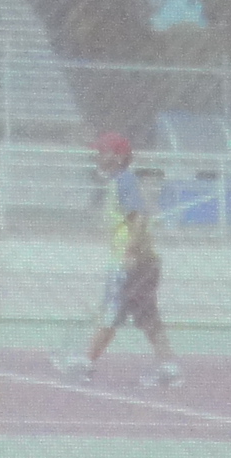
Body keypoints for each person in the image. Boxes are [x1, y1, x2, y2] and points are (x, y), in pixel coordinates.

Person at [55, 132, 182, 389]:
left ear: (120, 157)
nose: (98, 157)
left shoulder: (125, 181)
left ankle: (86, 363)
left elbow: (139, 217)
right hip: (145, 262)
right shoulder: (120, 182)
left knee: (111, 314)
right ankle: (169, 368)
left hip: (131, 262)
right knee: (148, 318)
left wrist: (130, 252)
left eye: (104, 152)